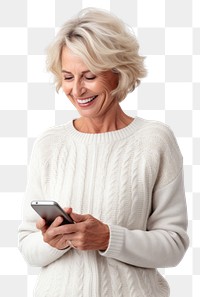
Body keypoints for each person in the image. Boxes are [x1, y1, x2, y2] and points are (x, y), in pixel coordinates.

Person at [18, 7, 189, 297]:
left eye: (89, 76)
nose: (77, 90)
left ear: (118, 73)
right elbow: (27, 246)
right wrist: (53, 241)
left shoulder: (155, 140)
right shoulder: (49, 143)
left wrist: (108, 238)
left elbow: (173, 246)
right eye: (68, 76)